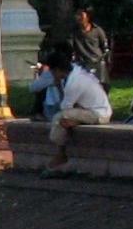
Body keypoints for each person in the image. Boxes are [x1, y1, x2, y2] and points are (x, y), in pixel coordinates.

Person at [41, 46, 113, 175]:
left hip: (98, 113)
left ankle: (61, 153)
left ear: (57, 70)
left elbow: (64, 108)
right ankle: (75, 126)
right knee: (64, 117)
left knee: (59, 118)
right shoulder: (75, 72)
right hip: (90, 110)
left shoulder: (74, 82)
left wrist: (58, 86)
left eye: (52, 72)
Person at [70, 7, 112, 80]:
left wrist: (106, 60)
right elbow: (70, 48)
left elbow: (105, 47)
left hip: (97, 63)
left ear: (88, 17)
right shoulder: (73, 32)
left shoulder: (97, 30)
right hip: (82, 64)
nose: (78, 17)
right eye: (77, 15)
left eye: (81, 15)